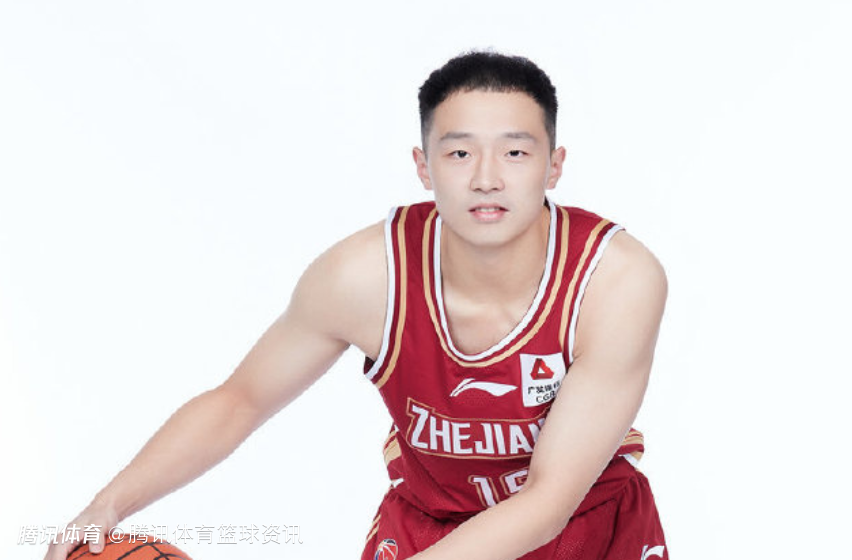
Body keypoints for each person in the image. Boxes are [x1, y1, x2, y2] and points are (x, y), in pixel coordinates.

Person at [45, 51, 669, 560]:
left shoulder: (615, 280)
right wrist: (106, 506)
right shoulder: (365, 276)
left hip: (588, 532)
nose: (486, 177)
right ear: (423, 167)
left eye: (515, 152)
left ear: (553, 167)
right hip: (431, 529)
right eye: (459, 153)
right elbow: (240, 401)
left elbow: (548, 501)